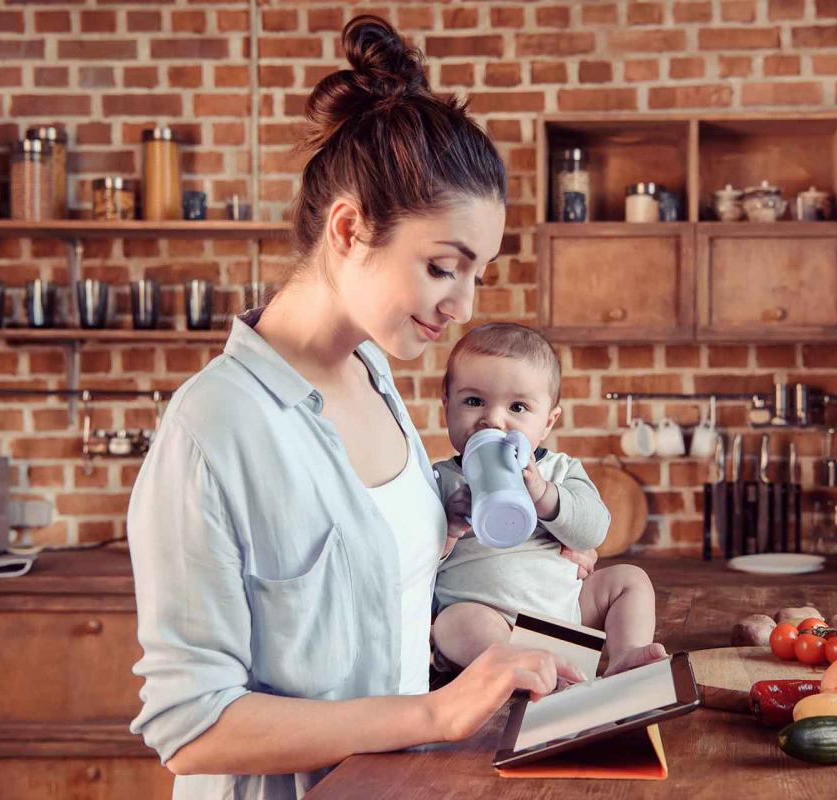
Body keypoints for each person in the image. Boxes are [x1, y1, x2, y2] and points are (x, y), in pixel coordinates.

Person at [126, 16, 590, 799]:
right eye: (444, 267)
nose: (462, 304)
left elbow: (386, 590)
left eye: (477, 273)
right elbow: (191, 728)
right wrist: (435, 716)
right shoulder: (214, 429)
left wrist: (525, 552)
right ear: (349, 228)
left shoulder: (376, 375)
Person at [431, 323, 666, 676]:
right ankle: (522, 671)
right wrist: (448, 529)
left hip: (565, 615)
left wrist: (543, 495)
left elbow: (593, 531)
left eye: (518, 407)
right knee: (454, 623)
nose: (494, 420)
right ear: (447, 405)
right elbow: (414, 561)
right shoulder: (439, 480)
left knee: (630, 580)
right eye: (474, 401)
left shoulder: (560, 470)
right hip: (491, 628)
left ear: (548, 422)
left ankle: (623, 656)